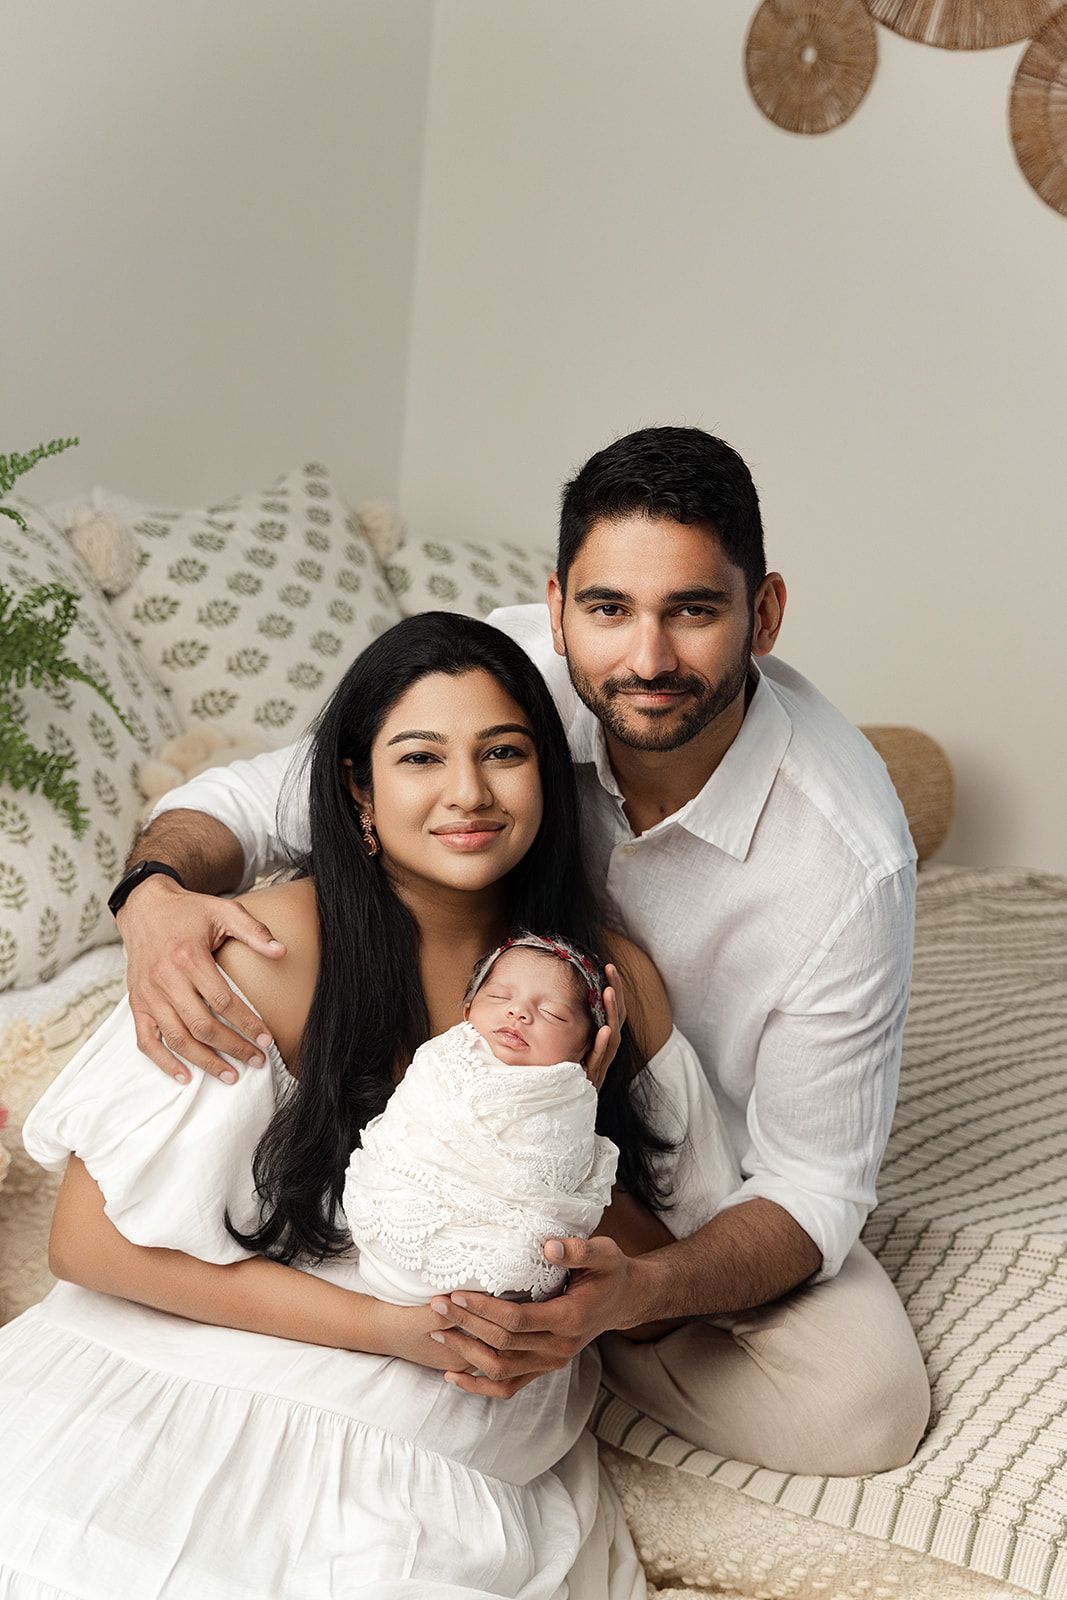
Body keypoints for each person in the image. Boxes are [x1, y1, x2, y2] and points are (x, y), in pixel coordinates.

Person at [110, 426, 931, 1477]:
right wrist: (154, 890)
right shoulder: (508, 681)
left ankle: (560, 1333)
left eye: (692, 609)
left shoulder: (845, 860)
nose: (645, 659)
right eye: (606, 610)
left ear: (761, 614)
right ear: (555, 609)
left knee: (860, 1409)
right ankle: (442, 1284)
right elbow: (256, 800)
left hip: (671, 1169)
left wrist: (639, 1291)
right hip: (441, 1094)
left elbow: (814, 1184)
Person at [0, 612, 738, 1598]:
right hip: (189, 1359)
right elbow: (85, 1246)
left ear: (546, 783)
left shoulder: (607, 983)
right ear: (359, 790)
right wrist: (388, 1330)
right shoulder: (266, 949)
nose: (467, 793)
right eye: (420, 756)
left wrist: (552, 1127)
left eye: (504, 752)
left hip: (437, 1421)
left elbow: (665, 1300)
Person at [345, 934, 623, 1307]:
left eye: (553, 1014)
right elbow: (407, 1128)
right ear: (467, 1010)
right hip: (388, 1233)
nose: (519, 1013)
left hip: (499, 1284)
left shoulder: (567, 1097)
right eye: (499, 997)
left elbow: (557, 1183)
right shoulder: (441, 1059)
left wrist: (578, 1093)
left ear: (586, 1048)